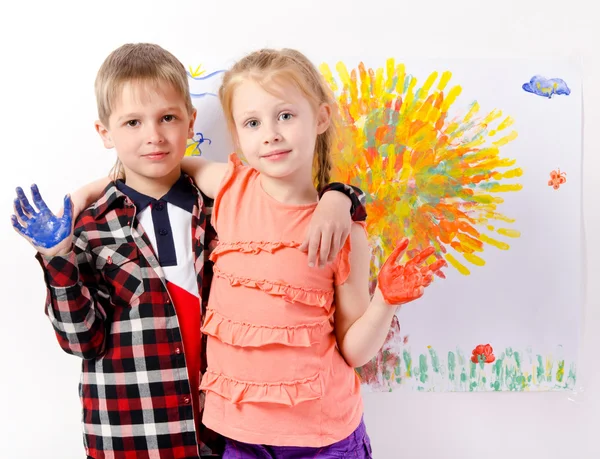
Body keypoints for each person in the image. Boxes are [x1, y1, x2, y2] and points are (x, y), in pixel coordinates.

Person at [10, 43, 368, 459]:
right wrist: (58, 255)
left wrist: (341, 195)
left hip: (221, 433)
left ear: (190, 122)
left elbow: (289, 203)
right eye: (132, 122)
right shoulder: (89, 228)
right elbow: (80, 341)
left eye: (168, 118)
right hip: (131, 433)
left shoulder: (224, 207)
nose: (154, 136)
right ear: (105, 133)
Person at [177, 48, 446, 458]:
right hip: (240, 436)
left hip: (322, 438)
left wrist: (385, 301)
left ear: (320, 118)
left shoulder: (345, 232)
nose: (270, 133)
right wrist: (90, 191)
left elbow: (353, 350)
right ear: (237, 134)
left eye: (285, 115)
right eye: (253, 122)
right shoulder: (230, 187)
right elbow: (168, 163)